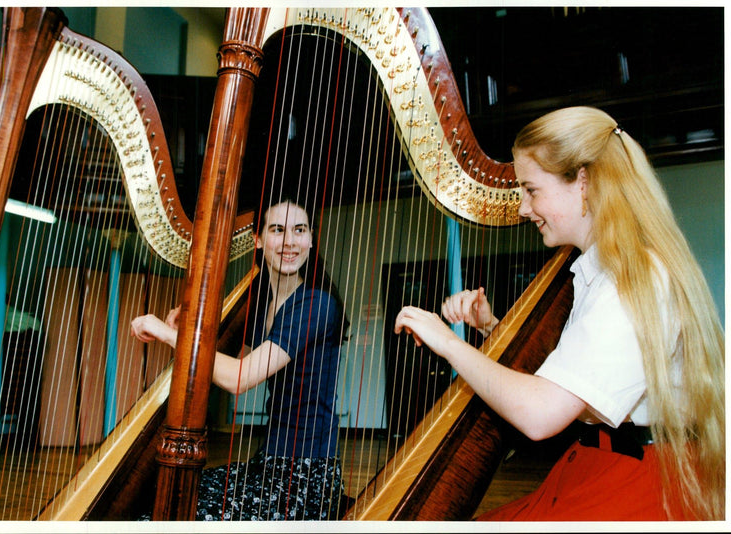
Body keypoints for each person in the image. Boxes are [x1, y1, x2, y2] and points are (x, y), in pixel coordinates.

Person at [393, 106, 724, 521]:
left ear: (583, 182)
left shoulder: (630, 279)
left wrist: (448, 342)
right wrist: (491, 328)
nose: (523, 209)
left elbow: (540, 416)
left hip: (639, 482)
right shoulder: (600, 269)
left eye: (531, 190)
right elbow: (582, 372)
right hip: (599, 463)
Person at [131, 198, 349, 520]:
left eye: (299, 230)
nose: (290, 241)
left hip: (304, 475)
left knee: (179, 514)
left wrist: (170, 335)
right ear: (258, 240)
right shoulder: (266, 302)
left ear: (311, 239)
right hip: (270, 462)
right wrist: (184, 334)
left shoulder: (316, 305)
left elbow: (239, 378)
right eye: (277, 230)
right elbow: (225, 368)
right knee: (163, 497)